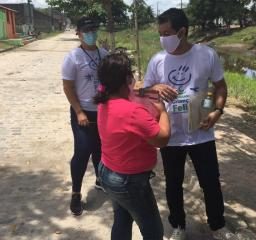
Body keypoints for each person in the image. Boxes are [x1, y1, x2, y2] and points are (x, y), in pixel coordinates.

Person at [144, 8, 238, 240]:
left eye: (167, 33)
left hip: (201, 133)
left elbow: (220, 86)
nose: (162, 38)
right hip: (171, 135)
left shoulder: (206, 55)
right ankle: (178, 226)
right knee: (173, 184)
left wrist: (217, 111)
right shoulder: (157, 60)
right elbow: (144, 91)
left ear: (182, 32)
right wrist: (153, 88)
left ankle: (218, 225)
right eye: (160, 33)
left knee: (210, 182)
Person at [94, 53, 170, 240]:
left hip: (109, 172)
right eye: (131, 75)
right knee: (153, 230)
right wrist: (163, 112)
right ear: (126, 79)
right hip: (129, 181)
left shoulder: (104, 102)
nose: (134, 79)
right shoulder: (133, 112)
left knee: (122, 218)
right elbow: (162, 139)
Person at [61, 16, 109, 216]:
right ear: (78, 33)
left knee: (101, 147)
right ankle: (76, 192)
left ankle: (101, 180)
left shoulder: (104, 54)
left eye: (93, 30)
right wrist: (79, 111)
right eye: (86, 31)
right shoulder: (73, 57)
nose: (91, 34)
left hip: (103, 111)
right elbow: (68, 87)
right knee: (83, 151)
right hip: (82, 112)